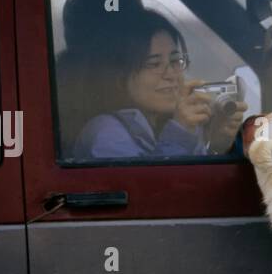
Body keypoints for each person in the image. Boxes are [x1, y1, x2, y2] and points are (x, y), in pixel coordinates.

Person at [71, 9, 247, 161]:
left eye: (175, 60)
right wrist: (181, 133)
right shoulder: (106, 132)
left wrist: (216, 144)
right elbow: (153, 192)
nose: (171, 74)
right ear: (121, 76)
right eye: (154, 64)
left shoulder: (169, 123)